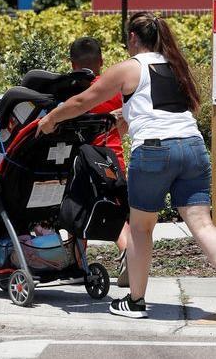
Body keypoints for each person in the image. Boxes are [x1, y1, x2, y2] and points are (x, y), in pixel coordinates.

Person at [39, 12, 216, 323]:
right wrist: (125, 118)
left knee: (140, 228)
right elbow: (162, 109)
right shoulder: (175, 66)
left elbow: (83, 100)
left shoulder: (129, 68)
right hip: (192, 146)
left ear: (134, 39)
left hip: (154, 152)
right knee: (203, 225)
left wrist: (51, 119)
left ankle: (135, 301)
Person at [68, 36, 130, 286]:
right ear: (102, 61)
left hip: (84, 164)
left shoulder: (74, 91)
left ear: (72, 64)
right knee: (117, 215)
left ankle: (80, 265)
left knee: (75, 213)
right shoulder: (114, 89)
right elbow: (123, 126)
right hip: (114, 162)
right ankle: (128, 253)